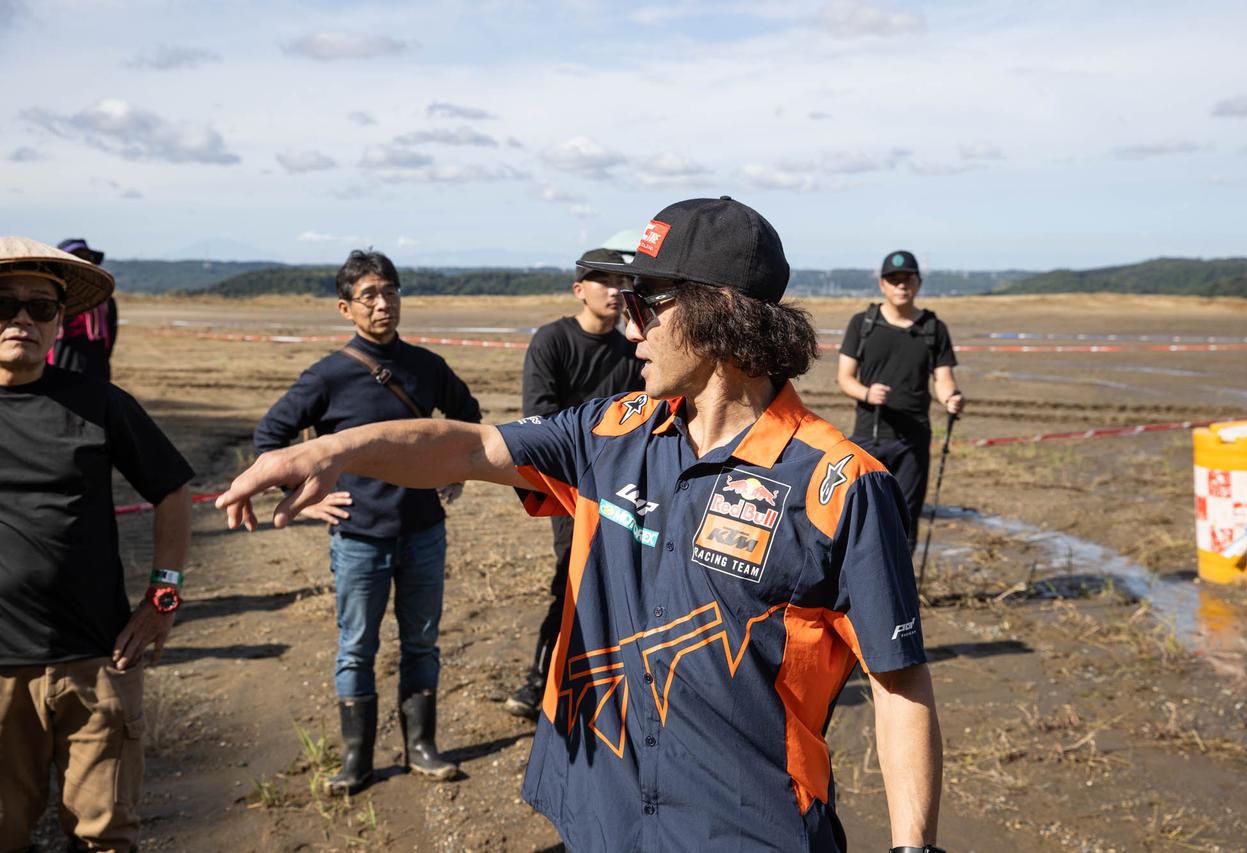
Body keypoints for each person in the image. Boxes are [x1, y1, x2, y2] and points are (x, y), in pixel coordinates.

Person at [219, 199, 945, 852]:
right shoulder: (608, 433)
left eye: (646, 303)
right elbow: (468, 446)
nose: (630, 326)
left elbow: (899, 681)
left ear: (720, 310)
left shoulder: (839, 484)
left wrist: (914, 846)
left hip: (749, 826)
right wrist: (327, 449)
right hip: (604, 813)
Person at [254, 249, 482, 794]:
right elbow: (270, 440)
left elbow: (468, 420)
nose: (383, 304)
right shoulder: (328, 376)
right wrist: (307, 500)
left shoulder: (427, 366)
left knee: (422, 642)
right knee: (357, 646)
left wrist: (458, 473)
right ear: (345, 308)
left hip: (425, 530)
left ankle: (422, 748)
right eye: (369, 296)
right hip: (358, 537)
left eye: (391, 292)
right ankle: (357, 759)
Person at [0, 236, 193, 852]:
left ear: (62, 321)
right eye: (2, 305)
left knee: (106, 836)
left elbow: (172, 491)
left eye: (41, 307)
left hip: (97, 663)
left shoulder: (99, 404)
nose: (21, 320)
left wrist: (162, 600)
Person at [505, 248, 644, 720]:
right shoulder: (553, 341)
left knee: (628, 583)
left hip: (626, 488)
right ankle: (538, 680)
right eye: (603, 281)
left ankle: (614, 677)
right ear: (579, 289)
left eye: (622, 283)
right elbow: (540, 418)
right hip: (570, 489)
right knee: (572, 580)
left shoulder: (633, 349)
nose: (615, 292)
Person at [836, 251, 965, 556]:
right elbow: (844, 378)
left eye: (907, 279)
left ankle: (902, 595)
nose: (901, 285)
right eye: (894, 280)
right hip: (869, 436)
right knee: (858, 516)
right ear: (882, 285)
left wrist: (951, 398)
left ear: (918, 283)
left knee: (905, 519)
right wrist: (867, 394)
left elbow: (943, 379)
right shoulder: (862, 323)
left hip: (913, 441)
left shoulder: (934, 328)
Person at [49, 238, 118, 380]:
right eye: (76, 257)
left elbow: (109, 341)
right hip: (58, 367)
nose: (82, 262)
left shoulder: (105, 303)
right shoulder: (48, 300)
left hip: (95, 371)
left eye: (87, 257)